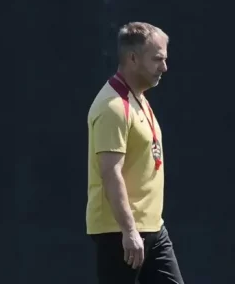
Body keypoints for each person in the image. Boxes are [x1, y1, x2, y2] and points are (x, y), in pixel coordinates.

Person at [86, 21, 185, 283]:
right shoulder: (113, 107)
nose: (164, 67)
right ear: (132, 58)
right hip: (120, 232)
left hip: (153, 228)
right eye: (157, 59)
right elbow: (111, 173)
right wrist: (129, 231)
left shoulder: (138, 98)